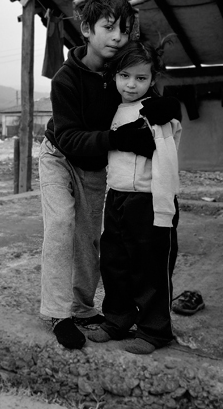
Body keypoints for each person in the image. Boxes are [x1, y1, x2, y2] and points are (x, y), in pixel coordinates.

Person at [39, 0, 161, 350]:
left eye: (124, 29)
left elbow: (145, 91)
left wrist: (164, 107)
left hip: (94, 166)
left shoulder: (120, 71)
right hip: (59, 156)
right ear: (87, 29)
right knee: (61, 224)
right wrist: (118, 138)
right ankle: (58, 314)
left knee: (90, 239)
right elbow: (69, 137)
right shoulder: (65, 79)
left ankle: (82, 307)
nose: (117, 37)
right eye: (109, 28)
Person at [86, 40, 183, 354]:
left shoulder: (157, 111)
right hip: (117, 198)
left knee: (150, 268)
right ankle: (117, 320)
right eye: (125, 76)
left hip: (149, 200)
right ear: (115, 75)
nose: (131, 84)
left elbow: (167, 156)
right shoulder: (112, 109)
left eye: (141, 78)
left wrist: (163, 208)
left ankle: (155, 331)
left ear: (153, 79)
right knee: (114, 263)